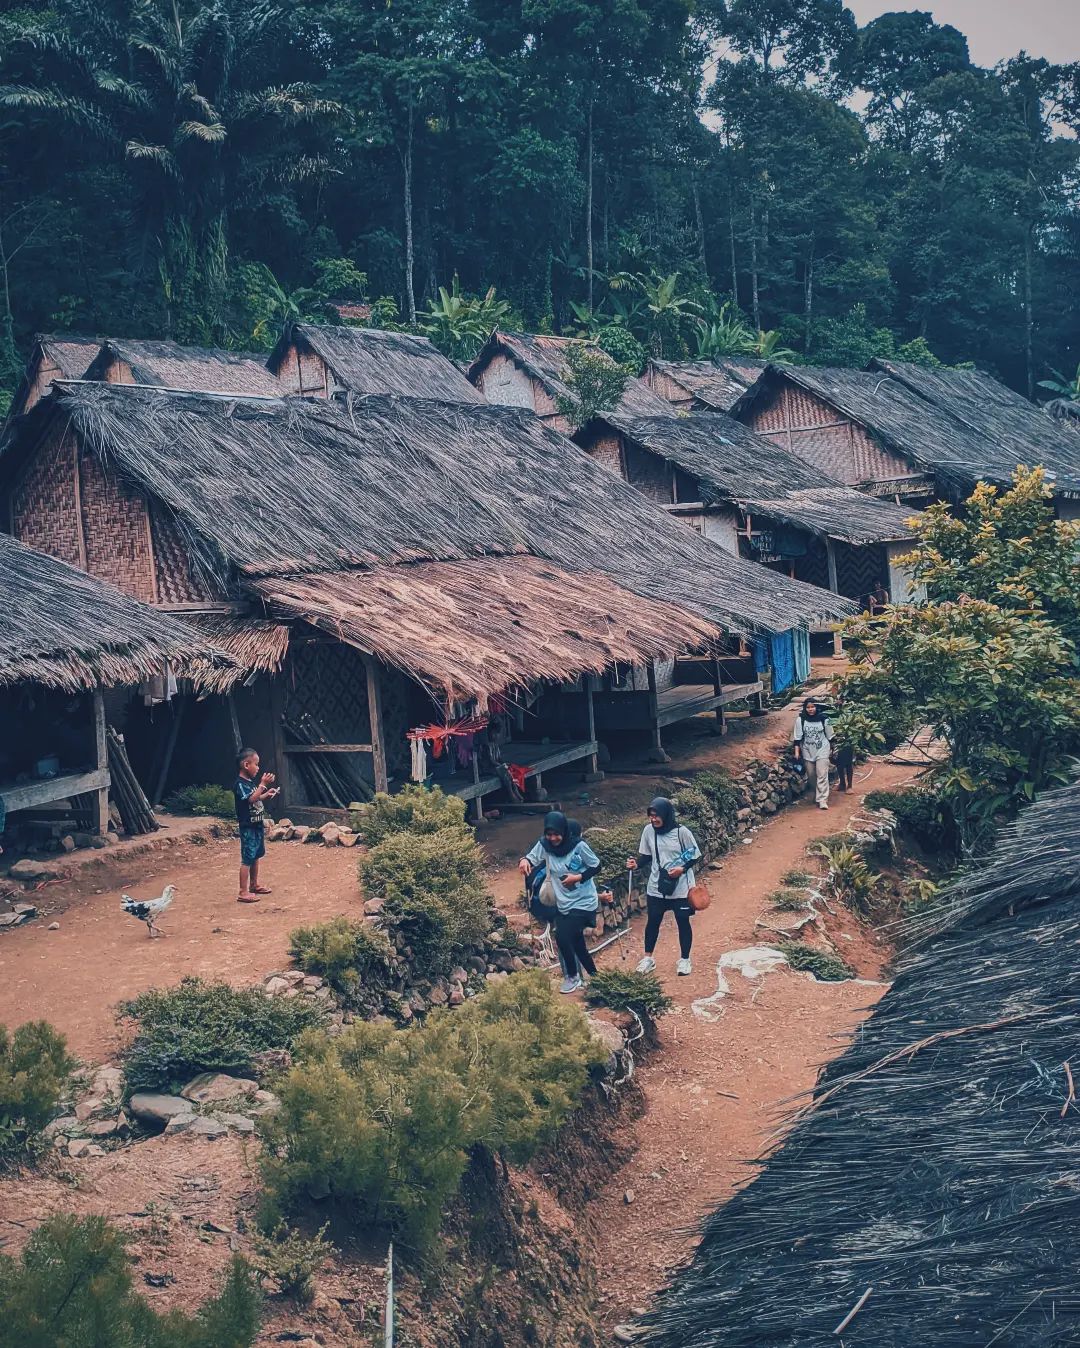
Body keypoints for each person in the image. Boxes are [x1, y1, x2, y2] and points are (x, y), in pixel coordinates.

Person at [519, 811, 601, 993]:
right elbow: (531, 857)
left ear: (564, 832)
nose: (553, 838)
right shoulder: (545, 845)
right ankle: (597, 979)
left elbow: (596, 866)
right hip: (564, 903)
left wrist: (577, 877)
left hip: (584, 902)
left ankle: (572, 976)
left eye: (557, 834)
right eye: (549, 834)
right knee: (578, 944)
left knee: (562, 936)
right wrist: (524, 861)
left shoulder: (579, 846)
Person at [627, 797, 702, 977]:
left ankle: (684, 960)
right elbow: (646, 856)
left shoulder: (681, 833)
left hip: (681, 886)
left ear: (666, 815)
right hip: (657, 886)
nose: (653, 819)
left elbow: (695, 855)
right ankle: (648, 959)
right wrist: (635, 864)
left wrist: (682, 869)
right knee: (653, 921)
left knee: (682, 921)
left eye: (656, 816)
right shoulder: (648, 831)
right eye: (651, 816)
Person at [234, 747, 279, 903]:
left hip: (257, 825)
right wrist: (263, 784)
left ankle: (254, 885)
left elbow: (256, 798)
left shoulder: (250, 783)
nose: (258, 768)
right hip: (248, 826)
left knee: (256, 855)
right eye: (256, 764)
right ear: (246, 765)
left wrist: (267, 794)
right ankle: (242, 891)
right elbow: (251, 799)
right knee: (247, 858)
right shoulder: (240, 784)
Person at [792, 699, 834, 810]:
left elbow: (830, 736)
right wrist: (797, 752)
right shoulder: (801, 720)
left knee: (822, 773)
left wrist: (832, 750)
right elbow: (797, 738)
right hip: (808, 750)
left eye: (813, 707)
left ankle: (822, 800)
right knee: (811, 775)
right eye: (808, 707)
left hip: (822, 748)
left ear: (816, 707)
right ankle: (817, 792)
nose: (811, 709)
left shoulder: (824, 719)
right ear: (805, 708)